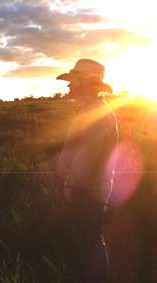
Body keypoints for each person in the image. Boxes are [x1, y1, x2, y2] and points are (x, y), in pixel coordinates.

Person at [56, 59, 119, 282]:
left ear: (86, 84)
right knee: (89, 241)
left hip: (87, 192)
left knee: (91, 242)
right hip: (87, 190)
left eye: (74, 82)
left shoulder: (95, 115)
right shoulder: (90, 112)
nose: (69, 86)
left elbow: (87, 157)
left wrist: (71, 186)